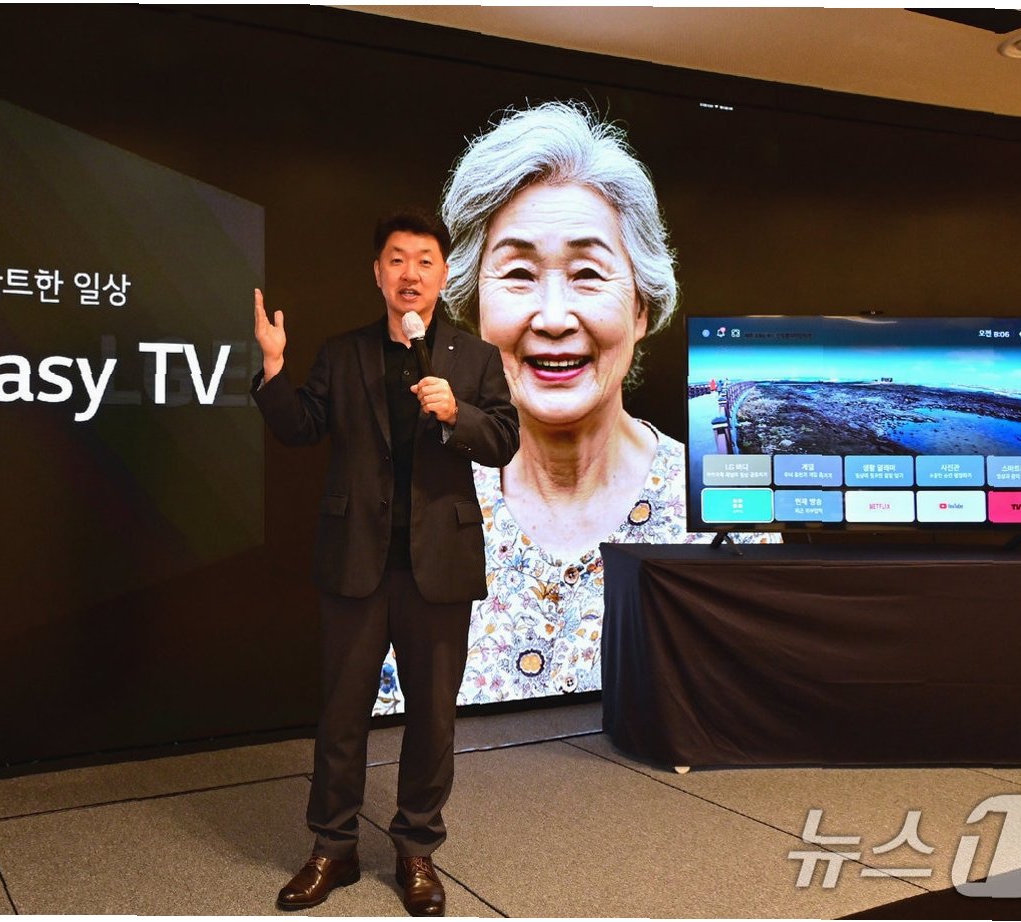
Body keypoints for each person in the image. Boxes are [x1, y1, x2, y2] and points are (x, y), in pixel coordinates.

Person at [375, 101, 776, 713]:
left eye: (588, 272)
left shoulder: (725, 517)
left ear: (641, 308)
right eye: (518, 273)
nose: (555, 317)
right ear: (473, 310)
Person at [252, 209, 519, 917]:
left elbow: (504, 439)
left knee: (433, 718)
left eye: (424, 261)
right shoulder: (343, 353)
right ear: (377, 273)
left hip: (440, 564)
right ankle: (332, 847)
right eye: (397, 260)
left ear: (444, 274)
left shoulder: (474, 358)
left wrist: (457, 414)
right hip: (356, 560)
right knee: (342, 713)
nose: (410, 273)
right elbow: (301, 427)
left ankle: (416, 850)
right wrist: (273, 370)